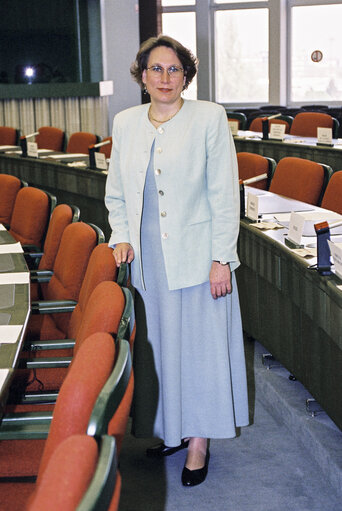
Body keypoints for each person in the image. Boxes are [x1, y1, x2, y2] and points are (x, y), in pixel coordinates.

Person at [105, 35, 249, 487]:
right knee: (162, 351)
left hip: (198, 255)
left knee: (201, 352)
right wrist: (121, 236)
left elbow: (225, 195)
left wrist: (222, 258)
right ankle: (173, 429)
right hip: (148, 260)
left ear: (186, 75)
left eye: (174, 69)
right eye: (156, 69)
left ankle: (199, 441)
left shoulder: (209, 117)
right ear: (142, 76)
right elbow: (115, 193)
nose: (165, 78)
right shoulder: (126, 122)